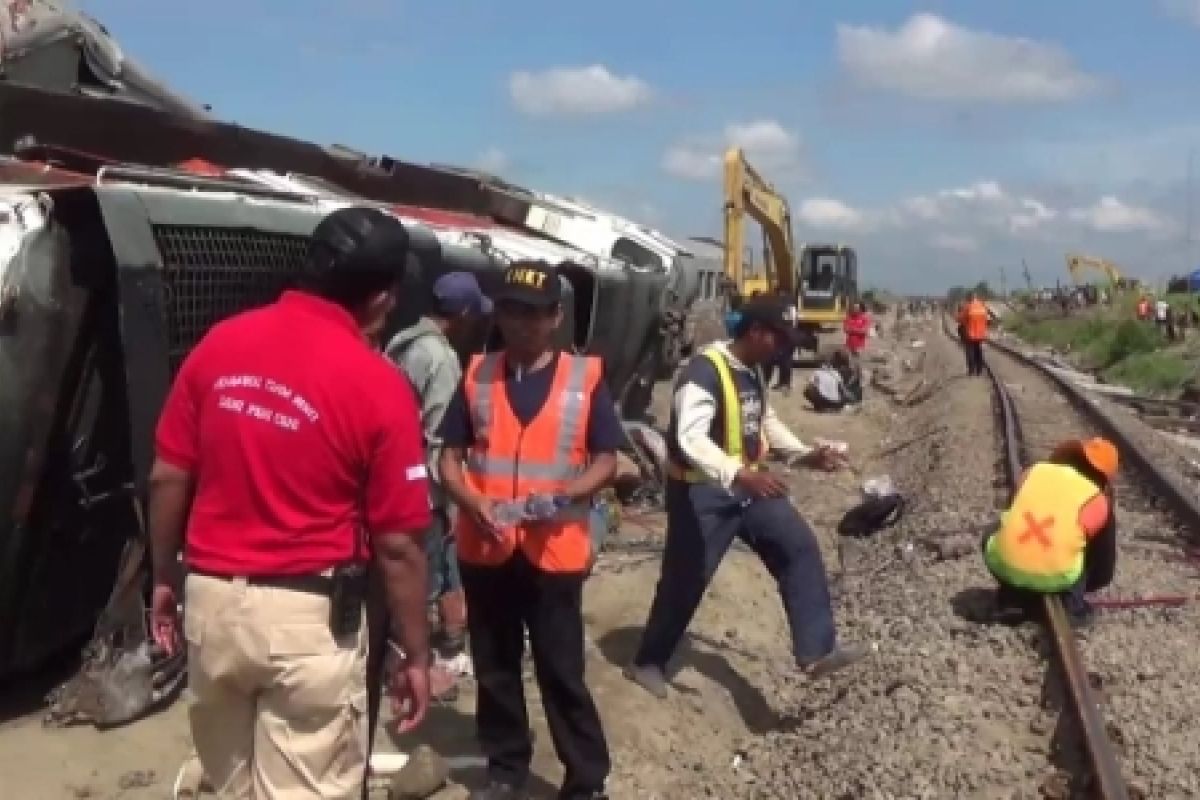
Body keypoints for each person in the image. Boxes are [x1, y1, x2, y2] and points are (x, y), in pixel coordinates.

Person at [148, 206, 434, 798]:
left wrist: (163, 578)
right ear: (382, 299)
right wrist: (415, 651)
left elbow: (168, 476)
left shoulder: (219, 344)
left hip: (211, 609)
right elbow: (400, 545)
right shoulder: (378, 385)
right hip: (306, 626)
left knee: (230, 786)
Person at [624, 295, 868, 701]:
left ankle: (816, 652)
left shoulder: (752, 370)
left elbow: (763, 421)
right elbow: (689, 436)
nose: (784, 346)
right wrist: (737, 473)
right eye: (779, 337)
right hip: (701, 492)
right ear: (756, 332)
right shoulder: (703, 373)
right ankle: (647, 662)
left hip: (749, 487)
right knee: (686, 579)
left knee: (798, 547)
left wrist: (805, 454)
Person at [438, 260, 621, 800]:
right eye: (512, 311)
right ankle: (504, 767)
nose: (521, 324)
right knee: (494, 668)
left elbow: (608, 459)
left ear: (555, 317)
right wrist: (472, 501)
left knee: (560, 669)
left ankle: (586, 778)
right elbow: (449, 458)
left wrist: (566, 494)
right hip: (486, 545)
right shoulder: (477, 374)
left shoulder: (583, 378)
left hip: (553, 551)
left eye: (534, 314)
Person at [387, 272, 492, 660]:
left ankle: (437, 636)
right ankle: (403, 659)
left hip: (388, 475)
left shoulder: (400, 342)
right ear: (462, 313)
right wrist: (451, 503)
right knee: (421, 577)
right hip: (420, 490)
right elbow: (439, 441)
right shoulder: (442, 360)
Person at [981, 437, 1118, 628]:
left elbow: (1011, 520)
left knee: (995, 530)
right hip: (1062, 579)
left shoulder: (1032, 472)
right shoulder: (1097, 499)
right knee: (1085, 546)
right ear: (1104, 478)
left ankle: (1010, 596)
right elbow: (1104, 570)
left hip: (1005, 567)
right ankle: (1072, 605)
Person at [762, 287, 798, 392]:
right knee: (773, 360)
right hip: (782, 336)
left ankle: (785, 383)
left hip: (787, 337)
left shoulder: (789, 307)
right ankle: (777, 382)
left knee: (785, 361)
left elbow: (792, 322)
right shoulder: (780, 306)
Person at [958, 292, 989, 376]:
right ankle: (979, 370)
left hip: (970, 333)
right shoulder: (982, 307)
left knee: (970, 352)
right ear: (976, 298)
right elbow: (986, 319)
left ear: (969, 299)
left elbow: (961, 319)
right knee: (978, 351)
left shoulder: (968, 307)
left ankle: (971, 370)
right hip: (981, 334)